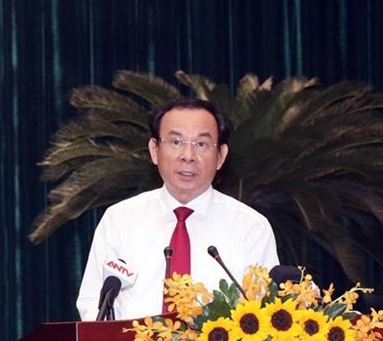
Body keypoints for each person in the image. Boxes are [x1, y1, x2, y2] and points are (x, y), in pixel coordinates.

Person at [76, 98, 279, 321]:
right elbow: (92, 304)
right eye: (176, 142)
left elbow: (264, 312)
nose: (188, 156)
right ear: (154, 150)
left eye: (201, 144)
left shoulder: (251, 227)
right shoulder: (120, 220)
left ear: (220, 156)